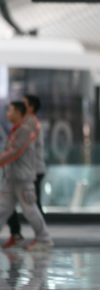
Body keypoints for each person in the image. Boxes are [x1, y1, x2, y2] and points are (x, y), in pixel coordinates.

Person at [0, 102, 53, 250]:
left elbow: (16, 151)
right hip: (11, 179)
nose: (7, 113)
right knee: (3, 209)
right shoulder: (15, 131)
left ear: (18, 113)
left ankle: (44, 238)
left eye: (10, 110)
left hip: (23, 179)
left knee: (29, 209)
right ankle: (42, 238)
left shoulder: (24, 130)